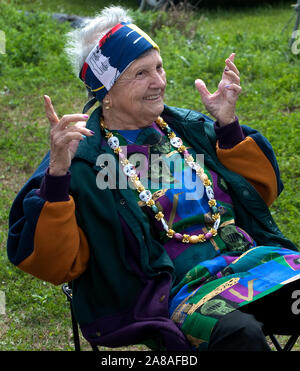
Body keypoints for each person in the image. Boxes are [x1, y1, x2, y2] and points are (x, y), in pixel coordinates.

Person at [7, 6, 300, 351]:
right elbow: (53, 262)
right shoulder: (80, 159)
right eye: (141, 73)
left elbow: (260, 194)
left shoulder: (187, 129)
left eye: (158, 68)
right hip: (175, 293)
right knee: (240, 334)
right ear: (107, 92)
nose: (159, 82)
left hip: (252, 265)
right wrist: (57, 177)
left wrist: (228, 128)